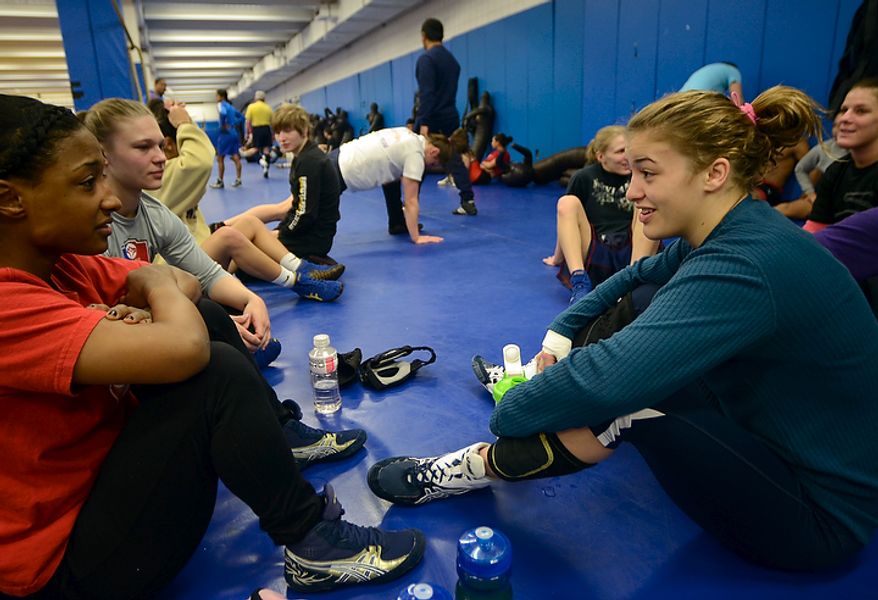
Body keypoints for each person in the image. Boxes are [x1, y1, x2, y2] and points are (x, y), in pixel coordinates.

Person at [367, 86, 878, 572]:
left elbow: (605, 380)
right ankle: (547, 385)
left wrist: (516, 406)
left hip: (818, 517)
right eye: (631, 172)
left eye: (648, 174)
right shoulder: (734, 227)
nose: (631, 191)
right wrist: (559, 337)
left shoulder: (746, 263)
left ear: (715, 173)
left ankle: (470, 469)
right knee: (640, 301)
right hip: (769, 433)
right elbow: (637, 275)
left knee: (630, 400)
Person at [0, 94, 424, 598]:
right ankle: (312, 543)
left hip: (105, 483)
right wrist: (155, 289)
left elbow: (190, 285)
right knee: (215, 369)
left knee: (202, 317)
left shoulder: (67, 266)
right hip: (70, 565)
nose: (109, 199)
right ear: (11, 199)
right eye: (87, 183)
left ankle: (280, 432)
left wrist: (157, 293)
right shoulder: (9, 303)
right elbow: (183, 341)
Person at [144, 99, 344, 304]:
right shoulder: (159, 180)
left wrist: (279, 232)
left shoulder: (308, 161)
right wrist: (184, 124)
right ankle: (299, 279)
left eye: (287, 131)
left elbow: (299, 211)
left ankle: (301, 269)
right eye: (278, 132)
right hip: (180, 266)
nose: (281, 138)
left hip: (196, 250)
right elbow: (200, 161)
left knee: (247, 226)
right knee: (236, 240)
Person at [225, 126, 461, 245]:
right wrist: (416, 236)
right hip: (338, 171)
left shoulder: (406, 134)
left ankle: (226, 226)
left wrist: (397, 222)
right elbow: (411, 201)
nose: (428, 166)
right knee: (290, 212)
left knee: (285, 207)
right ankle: (238, 235)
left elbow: (390, 179)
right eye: (433, 163)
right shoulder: (416, 155)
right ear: (434, 151)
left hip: (339, 156)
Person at [541, 126, 637, 304]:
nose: (627, 157)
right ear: (601, 156)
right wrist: (557, 257)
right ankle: (579, 280)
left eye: (629, 150)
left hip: (632, 250)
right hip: (596, 248)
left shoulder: (639, 174)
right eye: (620, 151)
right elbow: (566, 218)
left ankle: (634, 279)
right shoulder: (584, 177)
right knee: (567, 202)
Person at [416, 17, 477, 216]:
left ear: (424, 37)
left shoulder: (427, 59)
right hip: (450, 116)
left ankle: (409, 203)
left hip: (432, 117)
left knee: (416, 159)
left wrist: (423, 122)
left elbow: (427, 94)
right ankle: (468, 200)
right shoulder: (453, 61)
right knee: (454, 160)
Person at [804, 78, 878, 232]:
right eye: (844, 110)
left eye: (861, 111)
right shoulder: (836, 170)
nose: (844, 118)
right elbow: (815, 230)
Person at [753, 139, 809, 216]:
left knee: (752, 197)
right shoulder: (760, 137)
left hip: (769, 189)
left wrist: (808, 191)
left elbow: (811, 168)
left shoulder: (796, 141)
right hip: (751, 184)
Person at [209, 89, 244, 189]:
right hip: (234, 133)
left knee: (220, 158)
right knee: (236, 156)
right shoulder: (231, 107)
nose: (216, 98)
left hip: (225, 134)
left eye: (217, 96)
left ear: (221, 97)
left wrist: (223, 125)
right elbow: (241, 117)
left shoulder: (221, 105)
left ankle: (220, 181)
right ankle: (238, 179)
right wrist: (234, 124)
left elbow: (223, 114)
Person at [246, 90, 275, 178]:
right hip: (266, 129)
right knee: (266, 149)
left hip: (256, 130)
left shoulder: (251, 107)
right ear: (264, 98)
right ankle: (266, 168)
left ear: (255, 98)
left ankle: (261, 161)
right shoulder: (268, 107)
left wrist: (249, 133)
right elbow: (272, 122)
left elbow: (248, 122)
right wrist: (273, 134)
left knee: (256, 148)